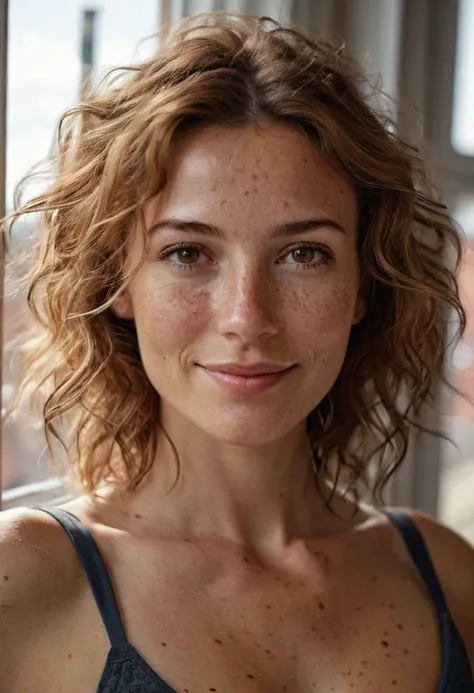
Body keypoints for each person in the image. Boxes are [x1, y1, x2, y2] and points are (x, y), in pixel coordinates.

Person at [0, 12, 473, 693]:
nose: (247, 318)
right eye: (188, 253)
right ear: (118, 283)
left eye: (304, 254)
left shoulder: (447, 577)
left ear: (362, 286)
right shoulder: (25, 581)